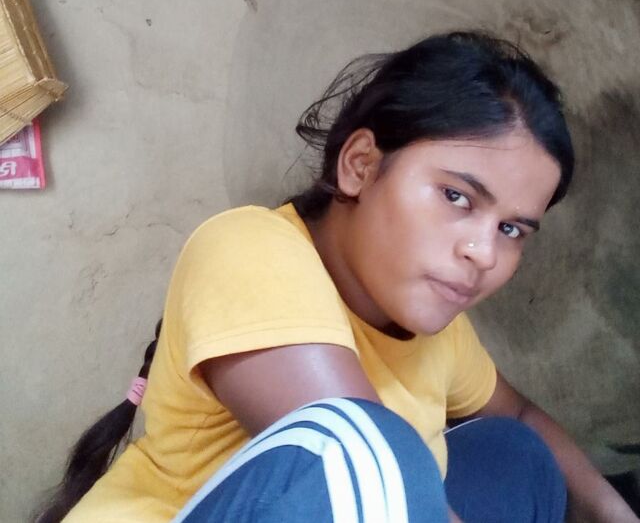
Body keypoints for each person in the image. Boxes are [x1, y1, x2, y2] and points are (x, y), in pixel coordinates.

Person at [35, 31, 638, 523]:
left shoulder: (436, 332)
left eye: (511, 229)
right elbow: (364, 471)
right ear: (361, 165)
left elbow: (522, 415)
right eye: (456, 196)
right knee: (361, 444)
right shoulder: (249, 250)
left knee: (514, 454)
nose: (483, 252)